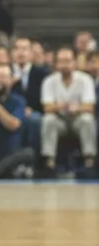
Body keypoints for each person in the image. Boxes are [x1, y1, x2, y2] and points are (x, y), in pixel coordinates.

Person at [39, 47, 97, 178]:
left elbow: (90, 107)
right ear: (56, 64)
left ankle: (89, 161)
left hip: (78, 119)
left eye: (68, 61)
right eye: (62, 61)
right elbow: (47, 107)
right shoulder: (49, 81)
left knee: (87, 119)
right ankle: (49, 161)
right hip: (59, 119)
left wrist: (77, 108)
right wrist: (62, 106)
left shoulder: (85, 79)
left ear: (75, 62)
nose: (65, 65)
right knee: (48, 119)